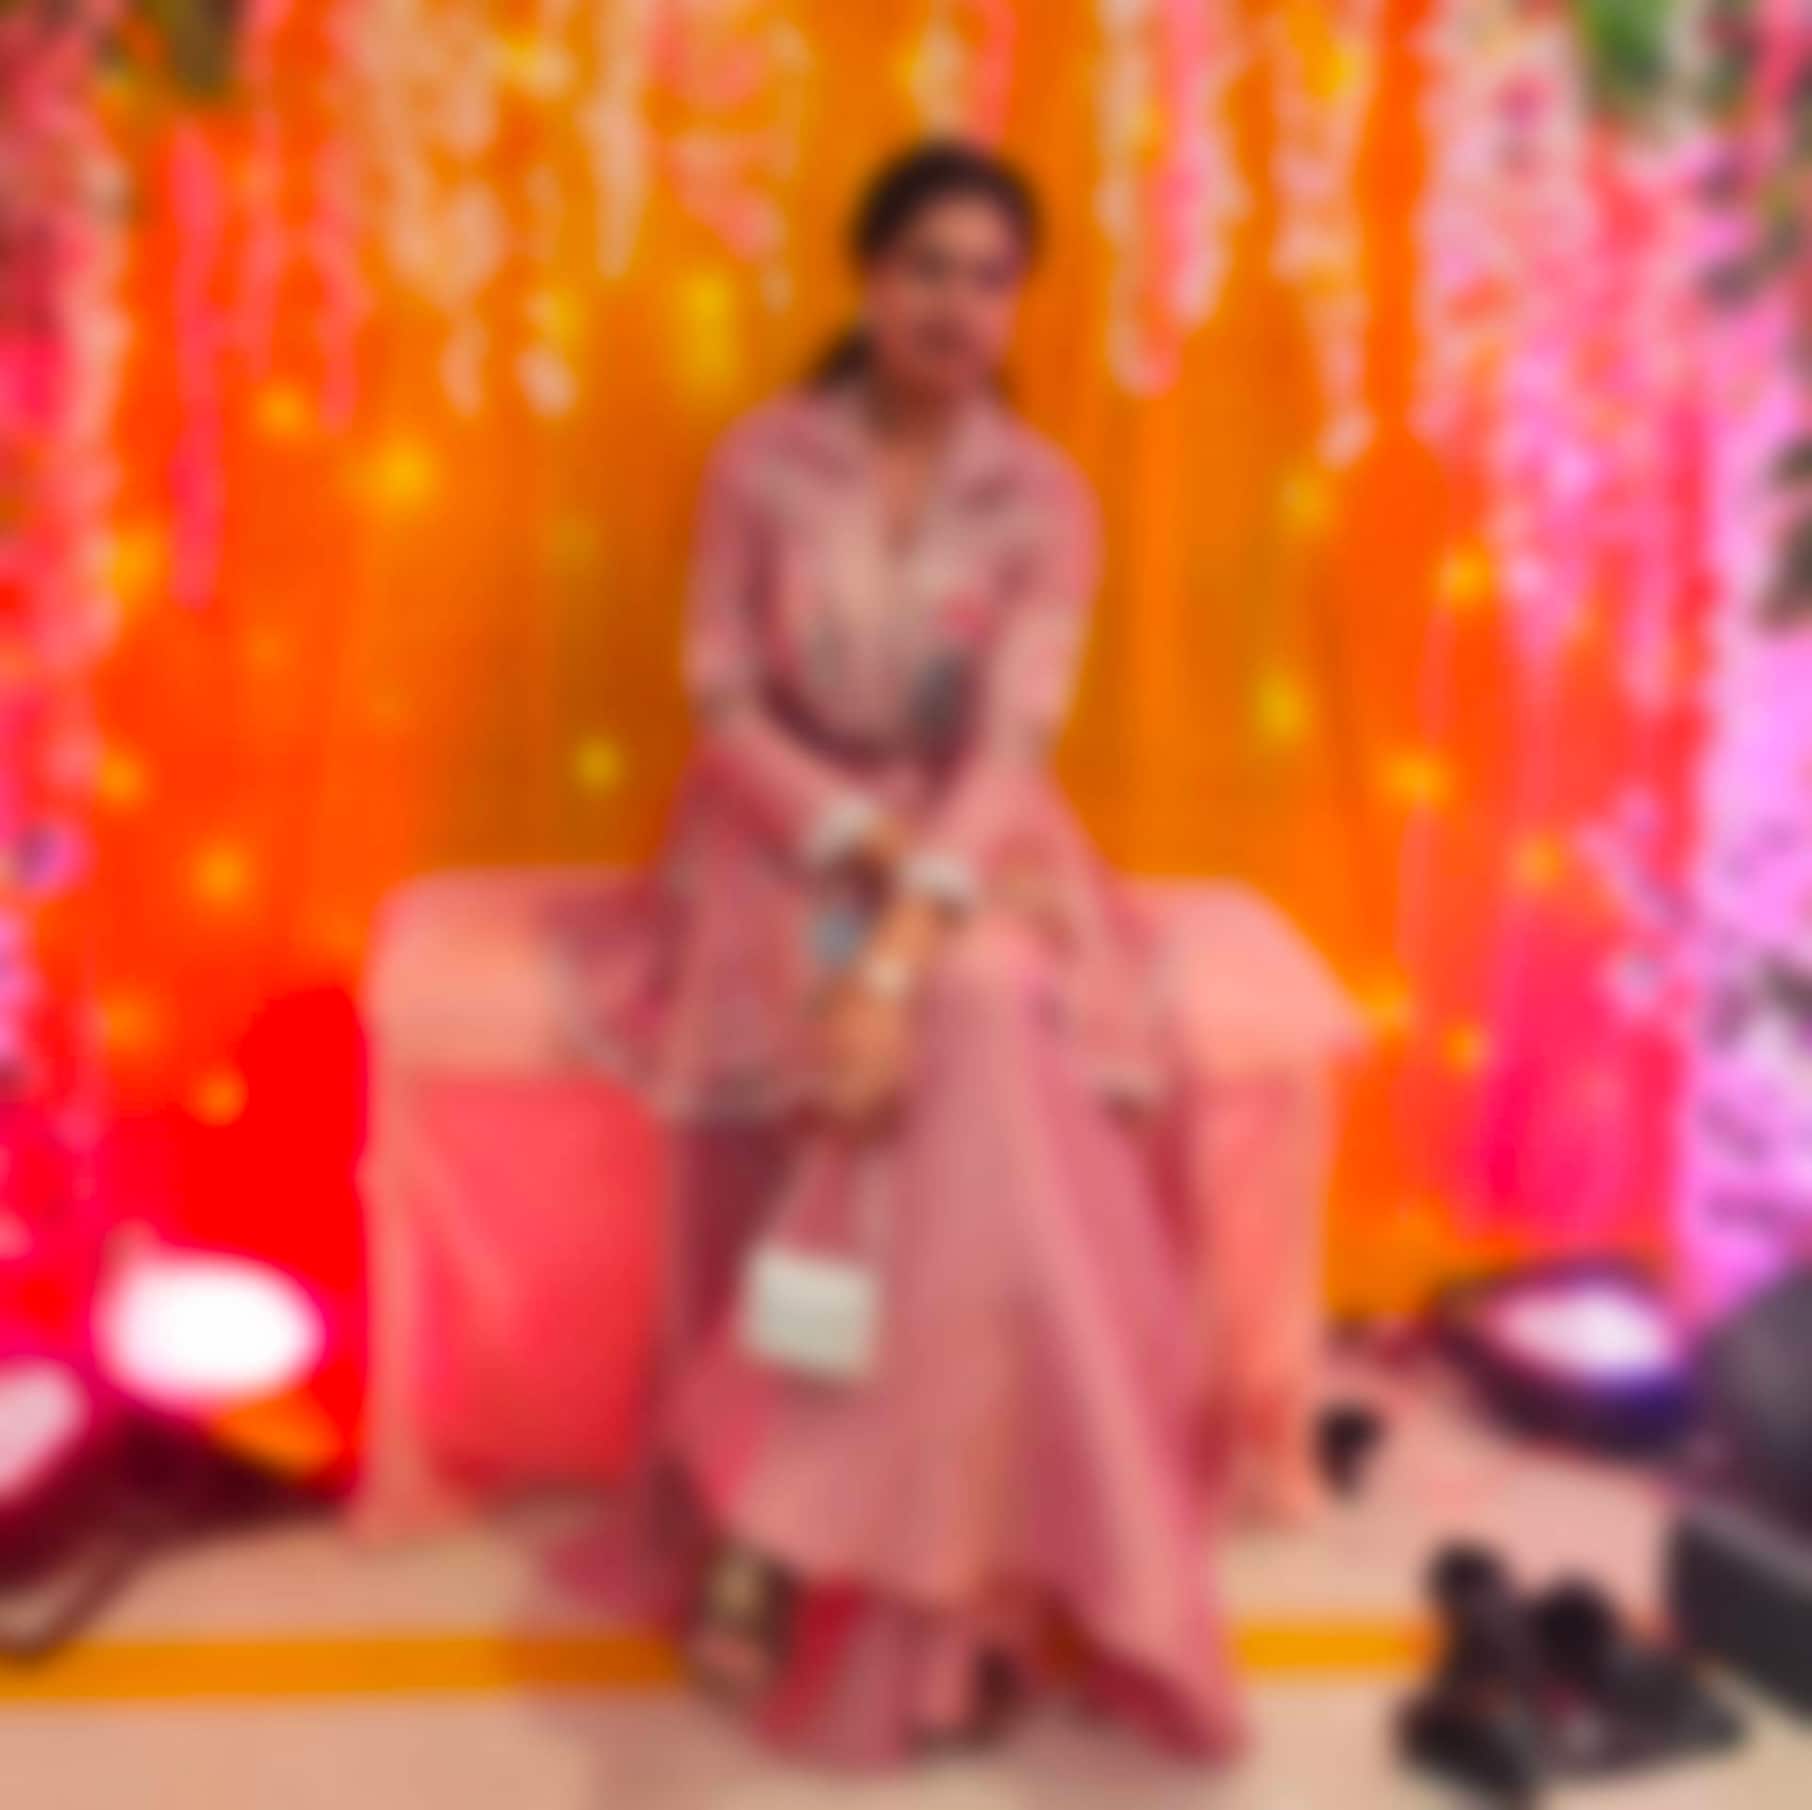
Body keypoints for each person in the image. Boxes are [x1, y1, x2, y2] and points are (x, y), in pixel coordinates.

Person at [573, 141, 1276, 1768]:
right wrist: (864, 851)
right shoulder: (765, 462)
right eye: (925, 268)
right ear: (867, 276)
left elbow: (1013, 742)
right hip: (779, 829)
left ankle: (810, 1515)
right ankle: (881, 1523)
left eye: (989, 277)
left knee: (969, 1004)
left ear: (1016, 301)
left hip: (969, 829)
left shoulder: (1044, 499)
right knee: (907, 1036)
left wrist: (903, 938)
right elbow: (723, 698)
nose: (956, 305)